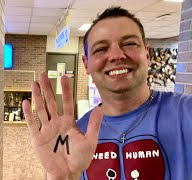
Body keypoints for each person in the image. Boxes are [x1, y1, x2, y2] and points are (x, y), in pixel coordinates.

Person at [22, 6, 192, 180]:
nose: (117, 55)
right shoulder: (76, 135)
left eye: (129, 43)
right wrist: (61, 177)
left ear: (147, 55)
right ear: (86, 63)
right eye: (101, 48)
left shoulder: (186, 114)